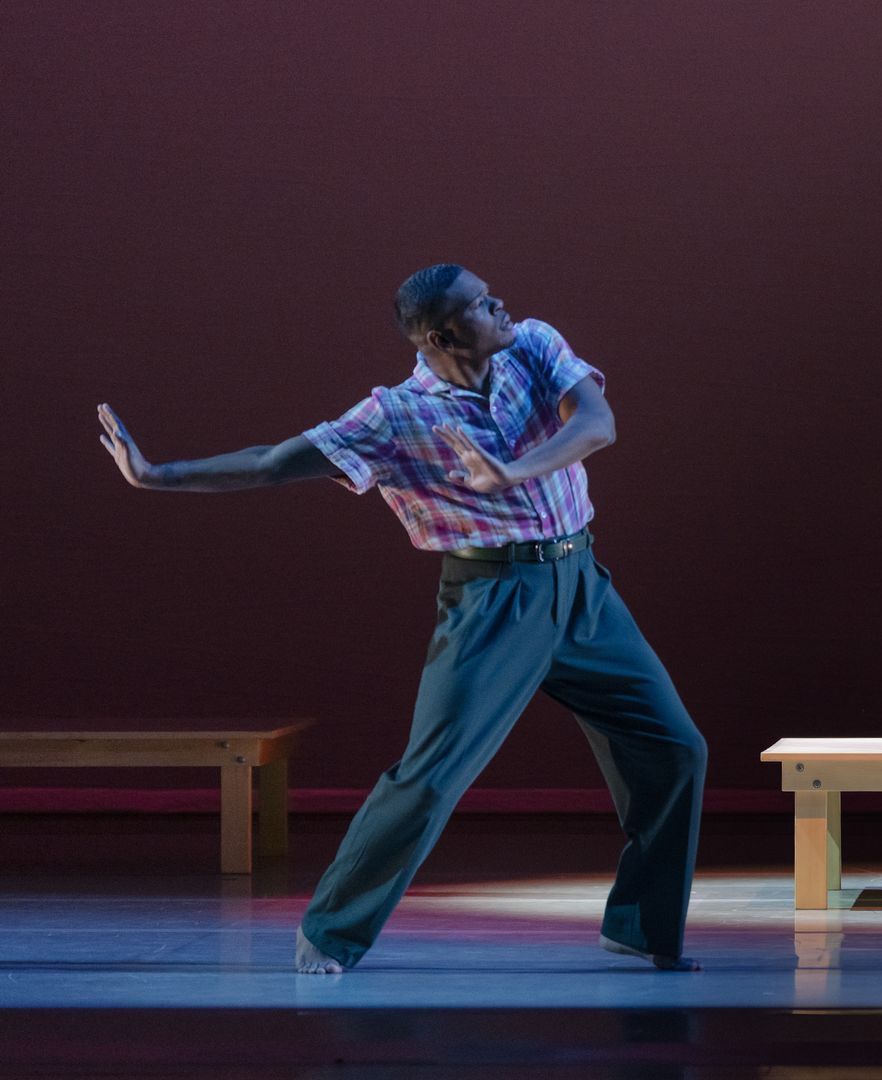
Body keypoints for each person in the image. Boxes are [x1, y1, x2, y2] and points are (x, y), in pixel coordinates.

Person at [95, 265, 707, 974]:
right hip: (493, 601)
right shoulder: (395, 416)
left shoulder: (533, 344)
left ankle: (639, 925)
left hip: (583, 585)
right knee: (433, 774)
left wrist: (514, 472)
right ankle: (330, 931)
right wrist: (158, 474)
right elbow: (272, 463)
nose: (501, 304)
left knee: (672, 748)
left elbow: (598, 424)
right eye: (483, 303)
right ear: (444, 335)